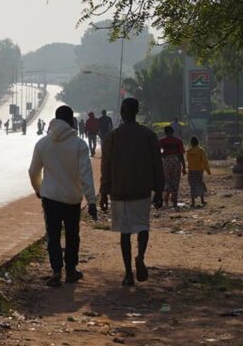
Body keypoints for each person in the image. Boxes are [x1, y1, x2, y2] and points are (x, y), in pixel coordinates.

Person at [29, 105, 98, 286]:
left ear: (54, 120)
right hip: (72, 198)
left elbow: (33, 171)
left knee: (52, 234)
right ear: (71, 122)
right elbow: (85, 175)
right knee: (72, 235)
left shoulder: (43, 143)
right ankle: (71, 270)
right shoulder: (79, 145)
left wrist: (39, 189)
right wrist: (91, 200)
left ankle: (56, 270)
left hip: (50, 197)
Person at [100, 97, 164, 286]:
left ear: (122, 112)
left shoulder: (112, 137)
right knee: (143, 227)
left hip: (119, 191)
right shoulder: (148, 135)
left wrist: (104, 192)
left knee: (125, 232)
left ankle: (128, 273)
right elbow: (157, 165)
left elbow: (106, 166)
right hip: (142, 191)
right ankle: (140, 256)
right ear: (137, 112)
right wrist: (159, 191)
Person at [158, 124, 187, 207]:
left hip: (166, 161)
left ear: (165, 132)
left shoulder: (162, 141)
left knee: (167, 179)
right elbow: (181, 154)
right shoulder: (178, 141)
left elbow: (159, 152)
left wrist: (163, 156)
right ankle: (174, 200)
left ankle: (167, 193)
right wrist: (184, 167)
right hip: (176, 161)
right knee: (175, 180)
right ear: (173, 132)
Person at [186, 135, 211, 207]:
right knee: (200, 183)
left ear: (191, 143)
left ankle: (193, 202)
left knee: (192, 185)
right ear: (198, 143)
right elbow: (205, 161)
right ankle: (202, 200)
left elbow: (188, 160)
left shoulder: (188, 151)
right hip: (199, 170)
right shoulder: (201, 150)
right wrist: (208, 170)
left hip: (191, 170)